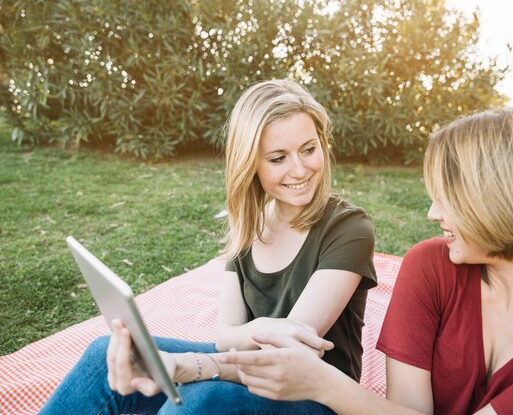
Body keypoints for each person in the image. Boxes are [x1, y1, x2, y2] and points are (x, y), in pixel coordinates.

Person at [221, 107, 513, 415]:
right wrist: (194, 364)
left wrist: (323, 384)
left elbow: (292, 345)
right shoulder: (433, 264)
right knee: (165, 367)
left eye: (447, 197)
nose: (432, 213)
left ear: (504, 204)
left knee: (204, 402)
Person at [39, 79, 377, 415]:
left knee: (200, 402)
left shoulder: (349, 228)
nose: (300, 169)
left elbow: (287, 354)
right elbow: (226, 338)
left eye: (308, 149)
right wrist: (258, 328)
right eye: (278, 158)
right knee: (109, 354)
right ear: (251, 164)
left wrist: (190, 365)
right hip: (248, 375)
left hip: (317, 398)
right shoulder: (251, 223)